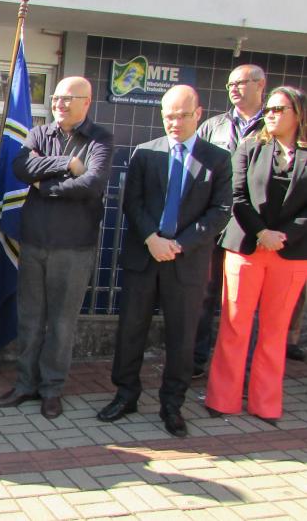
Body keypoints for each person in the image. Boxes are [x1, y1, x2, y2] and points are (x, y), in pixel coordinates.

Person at [97, 85, 231, 437]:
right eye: (168, 115)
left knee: (182, 338)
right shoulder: (145, 152)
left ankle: (172, 404)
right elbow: (132, 201)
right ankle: (126, 395)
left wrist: (179, 244)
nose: (175, 122)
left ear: (198, 114)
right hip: (145, 256)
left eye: (182, 115)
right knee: (131, 332)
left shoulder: (217, 158)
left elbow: (220, 211)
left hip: (186, 263)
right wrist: (151, 239)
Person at [0, 77, 114, 419]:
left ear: (86, 102)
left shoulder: (100, 139)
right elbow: (20, 167)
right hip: (35, 242)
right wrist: (65, 165)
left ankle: (52, 389)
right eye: (56, 98)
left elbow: (92, 183)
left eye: (67, 99)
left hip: (74, 247)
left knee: (61, 323)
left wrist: (44, 186)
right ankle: (24, 384)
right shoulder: (39, 134)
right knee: (31, 318)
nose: (59, 104)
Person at [204, 87, 307, 425]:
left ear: (298, 113)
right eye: (270, 109)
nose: (271, 114)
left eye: (279, 108)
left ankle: (265, 403)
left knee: (275, 332)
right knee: (235, 326)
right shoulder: (251, 147)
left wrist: (285, 236)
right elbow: (236, 195)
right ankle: (223, 398)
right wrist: (261, 232)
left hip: (290, 254)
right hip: (247, 246)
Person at [193, 64, 267, 376]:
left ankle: (243, 369)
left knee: (245, 305)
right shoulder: (213, 127)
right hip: (213, 225)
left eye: (240, 83)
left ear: (260, 84)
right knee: (203, 296)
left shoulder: (272, 124)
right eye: (229, 84)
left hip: (251, 228)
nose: (234, 89)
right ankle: (196, 361)